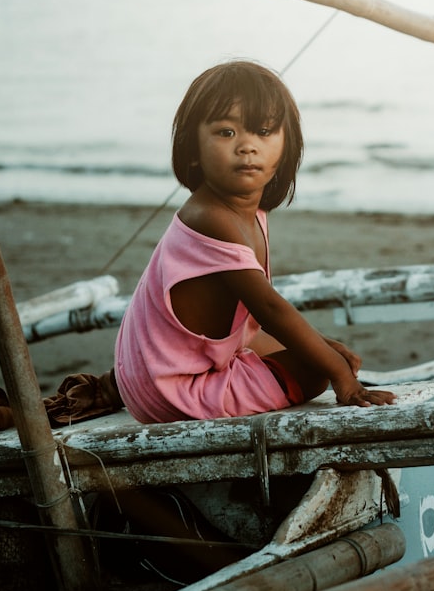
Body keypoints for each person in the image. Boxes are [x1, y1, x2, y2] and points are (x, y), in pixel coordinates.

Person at [114, 60, 396, 423]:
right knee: (314, 373)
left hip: (165, 372)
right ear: (193, 149)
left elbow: (247, 326)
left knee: (314, 353)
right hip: (173, 391)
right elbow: (270, 309)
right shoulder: (210, 218)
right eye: (226, 133)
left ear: (285, 149)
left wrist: (321, 345)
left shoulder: (250, 214)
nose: (247, 146)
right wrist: (340, 377)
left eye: (263, 131)